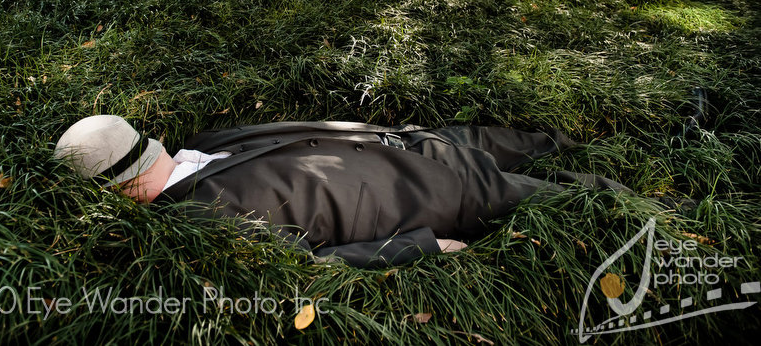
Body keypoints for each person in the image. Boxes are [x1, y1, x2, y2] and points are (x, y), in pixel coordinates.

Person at [55, 116, 633, 268]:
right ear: (129, 190)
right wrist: (425, 247)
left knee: (540, 143)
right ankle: (669, 209)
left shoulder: (200, 143)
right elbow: (311, 265)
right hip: (435, 193)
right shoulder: (205, 225)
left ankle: (652, 139)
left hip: (406, 140)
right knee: (577, 195)